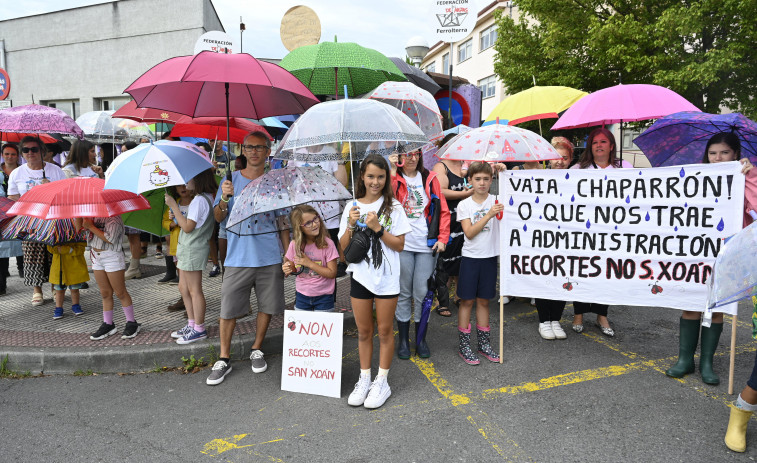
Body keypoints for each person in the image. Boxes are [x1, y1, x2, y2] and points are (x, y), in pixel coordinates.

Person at [667, 132, 755, 385]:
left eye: (724, 153)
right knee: (691, 302)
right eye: (713, 153)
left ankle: (707, 362)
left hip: (729, 252)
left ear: (735, 154)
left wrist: (748, 177)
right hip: (695, 250)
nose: (717, 158)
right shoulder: (697, 176)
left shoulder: (746, 176)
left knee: (717, 307)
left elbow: (755, 205)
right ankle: (685, 360)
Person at [206, 131, 290, 386]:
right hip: (237, 256)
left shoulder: (275, 182)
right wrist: (224, 199)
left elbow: (283, 220)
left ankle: (257, 348)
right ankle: (224, 357)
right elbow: (218, 218)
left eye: (260, 147)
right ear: (242, 150)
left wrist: (289, 253)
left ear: (267, 152)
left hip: (269, 256)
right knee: (228, 309)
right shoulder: (229, 182)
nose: (254, 151)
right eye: (249, 147)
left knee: (267, 306)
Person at [339, 154, 411, 409]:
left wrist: (379, 228)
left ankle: (382, 381)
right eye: (370, 176)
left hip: (387, 279)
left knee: (383, 331)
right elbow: (344, 250)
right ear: (362, 177)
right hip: (360, 277)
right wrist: (350, 224)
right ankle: (364, 378)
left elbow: (400, 246)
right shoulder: (352, 207)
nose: (375, 181)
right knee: (364, 331)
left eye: (381, 177)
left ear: (387, 178)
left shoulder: (395, 208)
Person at [389, 148, 450, 359]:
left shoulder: (430, 178)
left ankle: (421, 338)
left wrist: (442, 238)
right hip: (402, 244)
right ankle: (404, 341)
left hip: (426, 245)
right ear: (399, 157)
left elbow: (442, 210)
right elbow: (382, 201)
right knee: (404, 293)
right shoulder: (393, 179)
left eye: (416, 153)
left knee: (422, 294)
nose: (412, 158)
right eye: (406, 154)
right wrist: (390, 169)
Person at [569, 128, 628, 337]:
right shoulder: (578, 168)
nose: (599, 146)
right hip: (584, 230)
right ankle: (579, 313)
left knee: (606, 272)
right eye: (595, 143)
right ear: (590, 147)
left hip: (613, 230)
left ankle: (602, 314)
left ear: (611, 145)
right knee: (582, 269)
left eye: (603, 142)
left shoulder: (625, 168)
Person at [7, 136, 67, 306]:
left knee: (54, 255)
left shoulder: (55, 171)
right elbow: (13, 198)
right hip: (29, 221)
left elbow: (64, 196)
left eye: (34, 149)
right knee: (32, 256)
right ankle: (37, 290)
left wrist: (50, 188)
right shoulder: (17, 173)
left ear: (42, 151)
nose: (30, 153)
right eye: (25, 150)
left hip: (52, 219)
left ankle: (56, 288)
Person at [456, 161, 503, 365]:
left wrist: (506, 172)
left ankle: (484, 343)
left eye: (486, 178)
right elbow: (470, 232)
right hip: (471, 258)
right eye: (477, 179)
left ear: (492, 180)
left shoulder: (497, 199)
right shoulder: (464, 204)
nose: (482, 183)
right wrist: (489, 215)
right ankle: (464, 345)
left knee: (484, 301)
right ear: (470, 181)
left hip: (490, 257)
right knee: (466, 301)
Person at [166, 169, 217, 344]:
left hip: (192, 248)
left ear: (199, 178)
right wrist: (178, 214)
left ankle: (199, 328)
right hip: (189, 247)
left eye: (189, 177)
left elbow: (187, 227)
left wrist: (174, 206)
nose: (185, 181)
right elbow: (189, 223)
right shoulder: (205, 198)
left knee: (194, 290)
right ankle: (192, 323)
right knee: (184, 288)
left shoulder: (199, 200)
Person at [533, 137, 574, 340]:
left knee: (562, 278)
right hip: (543, 236)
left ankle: (556, 319)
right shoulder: (538, 176)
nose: (559, 161)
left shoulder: (577, 178)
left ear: (570, 159)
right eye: (555, 157)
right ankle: (543, 321)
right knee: (545, 277)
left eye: (564, 158)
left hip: (567, 238)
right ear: (548, 158)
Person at [78, 215, 140, 340]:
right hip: (96, 256)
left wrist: (90, 226)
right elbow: (79, 231)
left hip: (112, 256)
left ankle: (132, 322)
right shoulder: (92, 216)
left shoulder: (114, 218)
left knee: (120, 292)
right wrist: (79, 217)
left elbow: (110, 238)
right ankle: (108, 323)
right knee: (105, 293)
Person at [432, 134, 475, 315]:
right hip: (447, 220)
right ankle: (441, 301)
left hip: (464, 220)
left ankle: (459, 296)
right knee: (445, 263)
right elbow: (440, 192)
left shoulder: (464, 165)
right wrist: (464, 195)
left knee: (461, 259)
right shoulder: (440, 166)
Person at [283, 205, 339, 312]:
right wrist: (287, 269)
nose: (314, 224)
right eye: (308, 223)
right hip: (302, 295)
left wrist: (310, 263)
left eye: (315, 218)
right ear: (300, 228)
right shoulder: (294, 244)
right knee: (302, 327)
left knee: (323, 327)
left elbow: (332, 273)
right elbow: (293, 269)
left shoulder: (328, 244)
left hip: (324, 296)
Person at [163, 185, 190, 312]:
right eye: (179, 186)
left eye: (185, 184)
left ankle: (192, 302)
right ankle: (184, 298)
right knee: (181, 275)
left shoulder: (195, 202)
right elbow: (165, 222)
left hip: (190, 245)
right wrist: (172, 223)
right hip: (176, 244)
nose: (183, 188)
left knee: (191, 276)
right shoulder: (174, 204)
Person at [1, 143, 23, 284]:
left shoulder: (22, 172)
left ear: (18, 156)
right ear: (2, 155)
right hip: (2, 213)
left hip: (21, 211)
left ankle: (23, 269)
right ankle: (2, 279)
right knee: (3, 244)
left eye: (13, 154)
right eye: (7, 154)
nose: (10, 157)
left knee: (22, 240)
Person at [47, 241, 88, 319]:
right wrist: (56, 247)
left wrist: (68, 250)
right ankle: (58, 308)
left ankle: (75, 305)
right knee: (59, 290)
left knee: (75, 289)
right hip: (60, 269)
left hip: (74, 267)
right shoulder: (55, 237)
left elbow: (81, 248)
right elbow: (50, 248)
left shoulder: (76, 235)